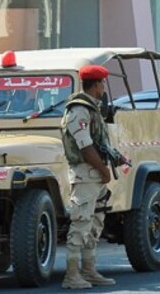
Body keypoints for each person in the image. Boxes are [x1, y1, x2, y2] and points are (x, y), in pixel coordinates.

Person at [60, 65, 117, 289]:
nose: (104, 88)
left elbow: (98, 142)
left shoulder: (92, 108)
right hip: (86, 173)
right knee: (81, 222)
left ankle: (88, 270)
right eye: (102, 83)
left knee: (95, 222)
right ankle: (72, 275)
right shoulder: (78, 110)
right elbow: (85, 147)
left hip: (94, 174)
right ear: (95, 85)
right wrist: (104, 171)